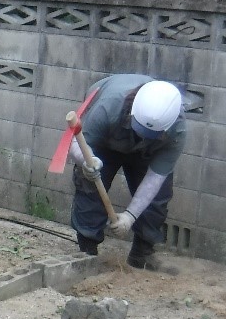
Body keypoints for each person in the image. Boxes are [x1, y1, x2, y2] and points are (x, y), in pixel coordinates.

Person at [69, 74, 185, 271]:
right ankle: (87, 251)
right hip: (107, 139)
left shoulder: (177, 131)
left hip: (149, 150)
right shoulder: (107, 107)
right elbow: (76, 141)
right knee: (89, 186)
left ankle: (142, 253)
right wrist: (86, 161)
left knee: (158, 196)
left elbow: (155, 178)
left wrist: (131, 216)